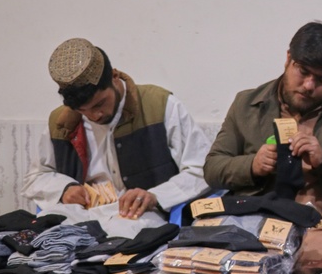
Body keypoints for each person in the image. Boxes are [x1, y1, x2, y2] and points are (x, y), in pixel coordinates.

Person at [203, 21, 322, 273]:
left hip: (318, 223)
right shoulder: (246, 104)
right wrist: (253, 165)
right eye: (303, 72)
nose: (309, 85)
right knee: (213, 264)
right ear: (288, 59)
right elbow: (213, 167)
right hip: (254, 215)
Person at [23, 37, 211, 223]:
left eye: (99, 104)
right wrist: (64, 189)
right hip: (81, 217)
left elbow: (203, 169)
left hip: (139, 218)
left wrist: (156, 196)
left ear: (114, 77)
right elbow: (35, 177)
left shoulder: (160, 106)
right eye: (83, 110)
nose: (94, 116)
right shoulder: (61, 122)